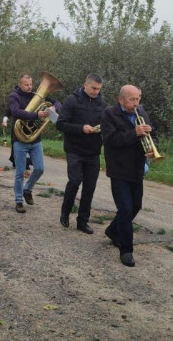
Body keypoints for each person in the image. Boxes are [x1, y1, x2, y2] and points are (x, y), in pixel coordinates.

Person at [101, 85, 156, 267]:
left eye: (138, 98)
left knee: (136, 206)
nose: (136, 103)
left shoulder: (141, 112)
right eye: (132, 99)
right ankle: (126, 250)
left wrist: (152, 147)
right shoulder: (109, 114)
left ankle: (112, 230)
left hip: (137, 168)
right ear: (121, 100)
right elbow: (111, 141)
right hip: (119, 169)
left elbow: (152, 135)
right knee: (125, 209)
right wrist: (135, 133)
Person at [56, 73, 105, 234]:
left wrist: (101, 130)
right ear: (86, 85)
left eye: (98, 89)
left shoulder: (101, 102)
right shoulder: (72, 100)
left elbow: (105, 123)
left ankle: (83, 221)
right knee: (75, 181)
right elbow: (61, 124)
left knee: (90, 187)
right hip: (74, 149)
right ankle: (65, 212)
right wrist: (81, 128)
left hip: (93, 151)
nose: (96, 92)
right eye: (93, 88)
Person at [8, 74, 61, 214]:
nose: (29, 87)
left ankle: (27, 190)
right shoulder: (14, 96)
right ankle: (19, 201)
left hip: (35, 139)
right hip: (20, 139)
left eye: (31, 84)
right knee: (20, 172)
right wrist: (37, 115)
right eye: (26, 84)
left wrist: (54, 108)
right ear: (20, 84)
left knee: (40, 168)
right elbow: (15, 112)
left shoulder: (36, 95)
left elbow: (58, 103)